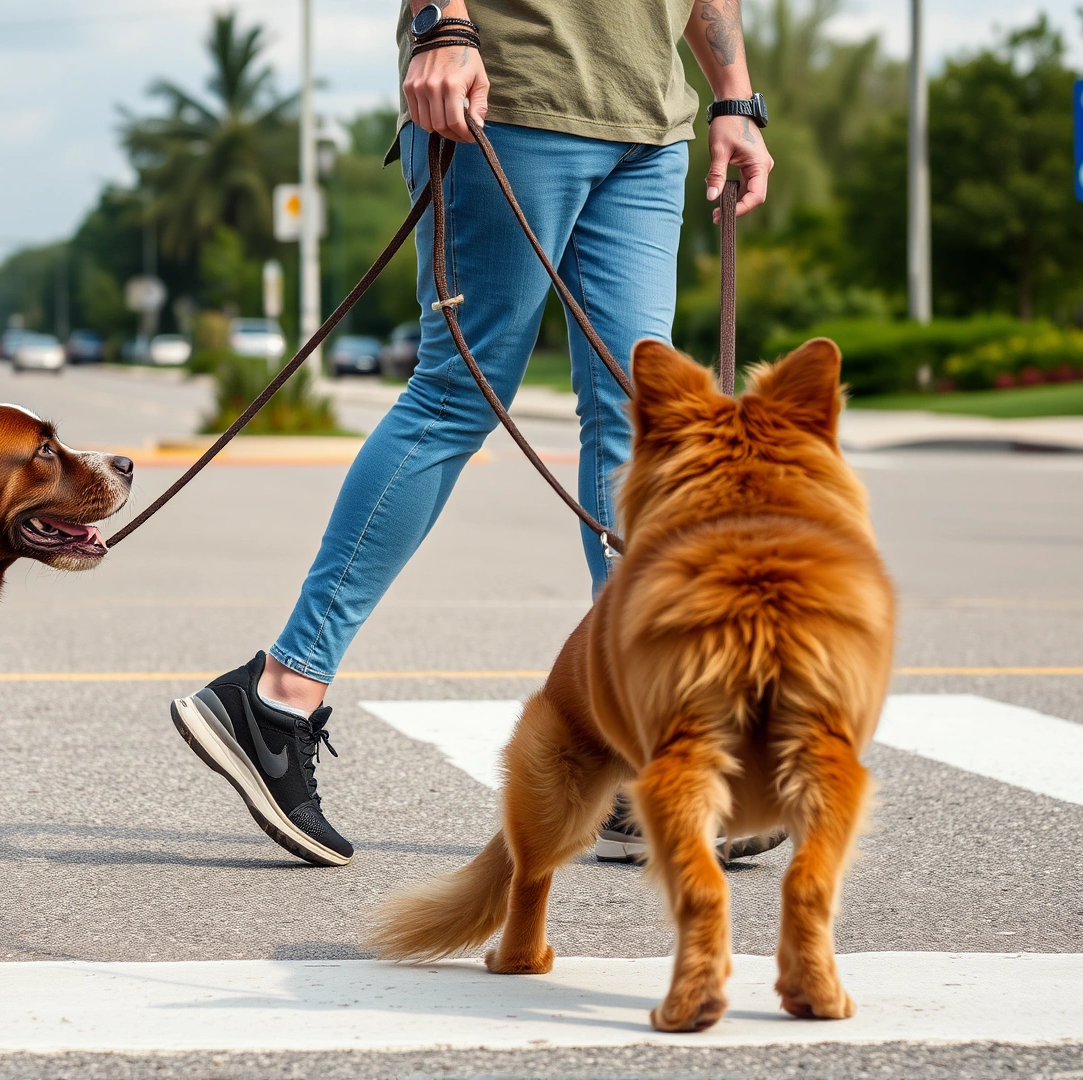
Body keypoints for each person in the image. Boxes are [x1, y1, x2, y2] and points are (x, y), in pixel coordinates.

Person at [169, 0, 775, 867]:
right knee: (459, 396)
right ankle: (277, 694)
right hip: (513, 94)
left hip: (650, 118)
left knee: (638, 420)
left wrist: (733, 95)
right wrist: (440, 22)